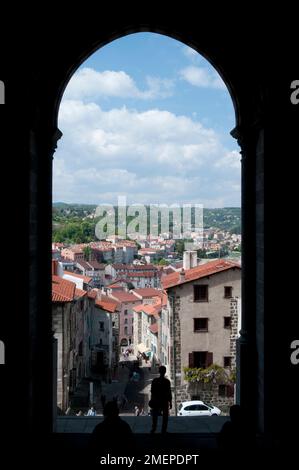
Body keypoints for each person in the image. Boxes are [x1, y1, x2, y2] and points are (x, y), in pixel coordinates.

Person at [149, 365, 172, 434]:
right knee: (165, 417)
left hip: (156, 400)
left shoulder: (154, 381)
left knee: (155, 416)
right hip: (164, 401)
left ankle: (153, 429)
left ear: (159, 372)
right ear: (165, 372)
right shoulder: (167, 382)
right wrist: (170, 402)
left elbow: (152, 392)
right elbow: (169, 392)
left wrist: (152, 400)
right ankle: (163, 430)